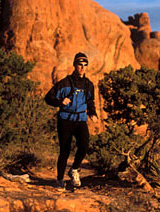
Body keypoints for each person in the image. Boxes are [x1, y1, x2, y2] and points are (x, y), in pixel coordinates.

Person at [45, 52, 98, 189]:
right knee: (65, 151)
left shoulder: (89, 85)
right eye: (80, 64)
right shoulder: (64, 83)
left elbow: (90, 101)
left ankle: (74, 169)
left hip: (80, 119)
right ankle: (59, 180)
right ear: (74, 65)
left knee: (84, 145)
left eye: (85, 65)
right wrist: (60, 102)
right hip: (65, 120)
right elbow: (48, 98)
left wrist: (92, 113)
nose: (82, 67)